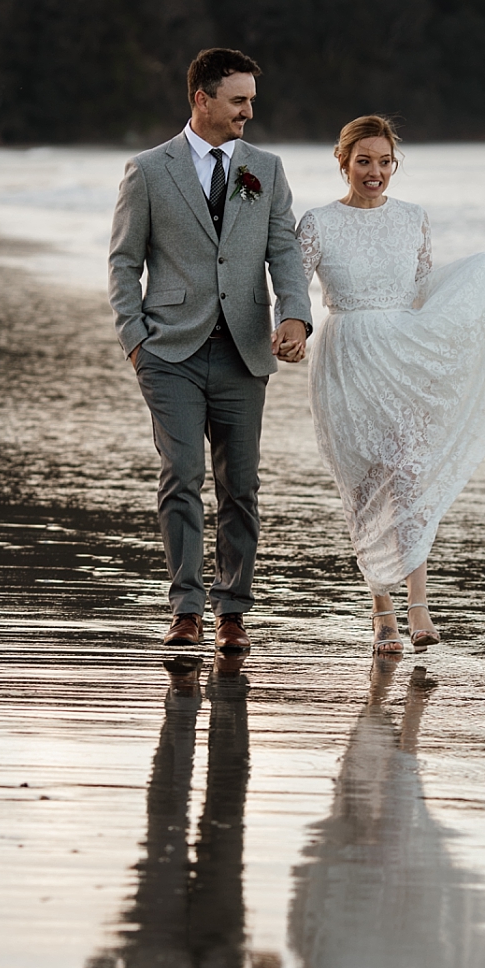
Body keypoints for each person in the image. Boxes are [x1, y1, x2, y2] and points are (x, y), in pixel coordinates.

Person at [297, 115, 485, 654]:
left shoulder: (413, 218)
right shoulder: (317, 223)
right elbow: (292, 286)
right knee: (362, 482)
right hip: (347, 354)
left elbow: (423, 288)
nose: (375, 172)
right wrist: (286, 330)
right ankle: (383, 613)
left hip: (402, 356)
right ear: (343, 162)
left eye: (384, 162)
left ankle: (420, 607)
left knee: (411, 476)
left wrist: (469, 318)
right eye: (364, 161)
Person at [109, 48, 312, 652]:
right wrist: (134, 341)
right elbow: (123, 262)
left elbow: (285, 253)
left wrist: (295, 316)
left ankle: (232, 613)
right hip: (168, 350)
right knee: (182, 475)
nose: (250, 110)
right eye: (239, 99)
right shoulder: (148, 170)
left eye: (252, 98)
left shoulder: (266, 170)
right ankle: (186, 608)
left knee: (240, 485)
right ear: (202, 98)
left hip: (244, 353)